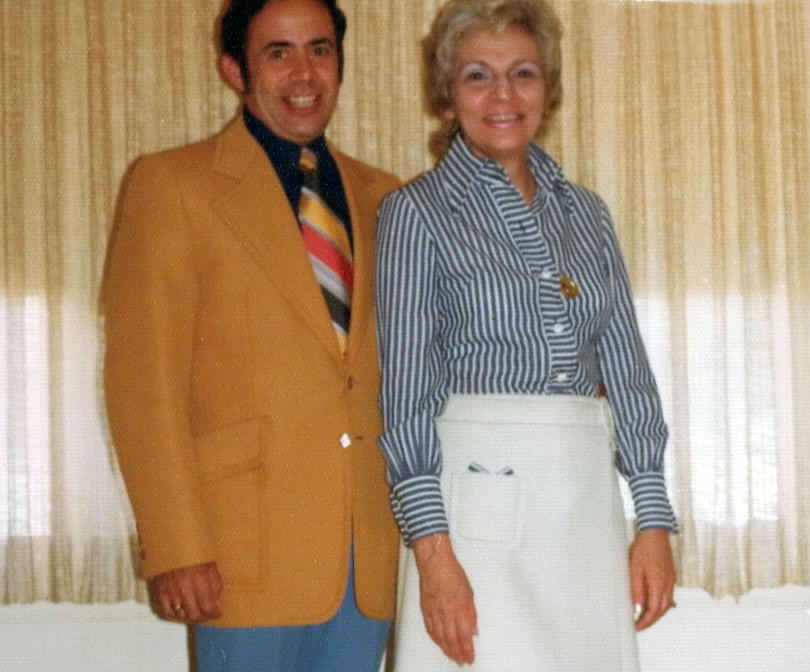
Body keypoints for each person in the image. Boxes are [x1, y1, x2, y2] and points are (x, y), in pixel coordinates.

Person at [375, 0, 677, 670]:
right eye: (478, 75)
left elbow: (627, 370)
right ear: (447, 96)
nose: (503, 95)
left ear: (548, 91)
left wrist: (651, 519)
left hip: (584, 508)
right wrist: (434, 556)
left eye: (523, 74)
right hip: (475, 516)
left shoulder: (587, 214)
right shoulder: (414, 215)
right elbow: (406, 398)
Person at [102, 1, 400, 670]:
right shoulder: (173, 185)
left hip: (369, 555)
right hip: (241, 556)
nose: (304, 72)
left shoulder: (388, 199)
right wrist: (177, 544)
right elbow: (141, 384)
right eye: (279, 52)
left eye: (320, 50)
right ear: (234, 69)